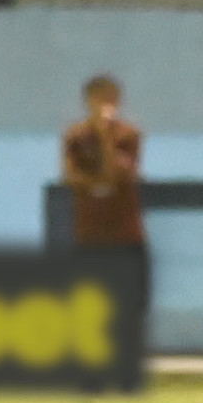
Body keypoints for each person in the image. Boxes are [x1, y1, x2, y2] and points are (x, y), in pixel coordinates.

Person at [62, 76, 147, 302]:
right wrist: (98, 183)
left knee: (131, 300)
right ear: (87, 102)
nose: (103, 105)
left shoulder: (128, 134)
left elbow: (122, 175)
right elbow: (71, 177)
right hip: (89, 233)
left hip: (125, 233)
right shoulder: (75, 136)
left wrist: (105, 137)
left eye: (109, 100)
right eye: (98, 100)